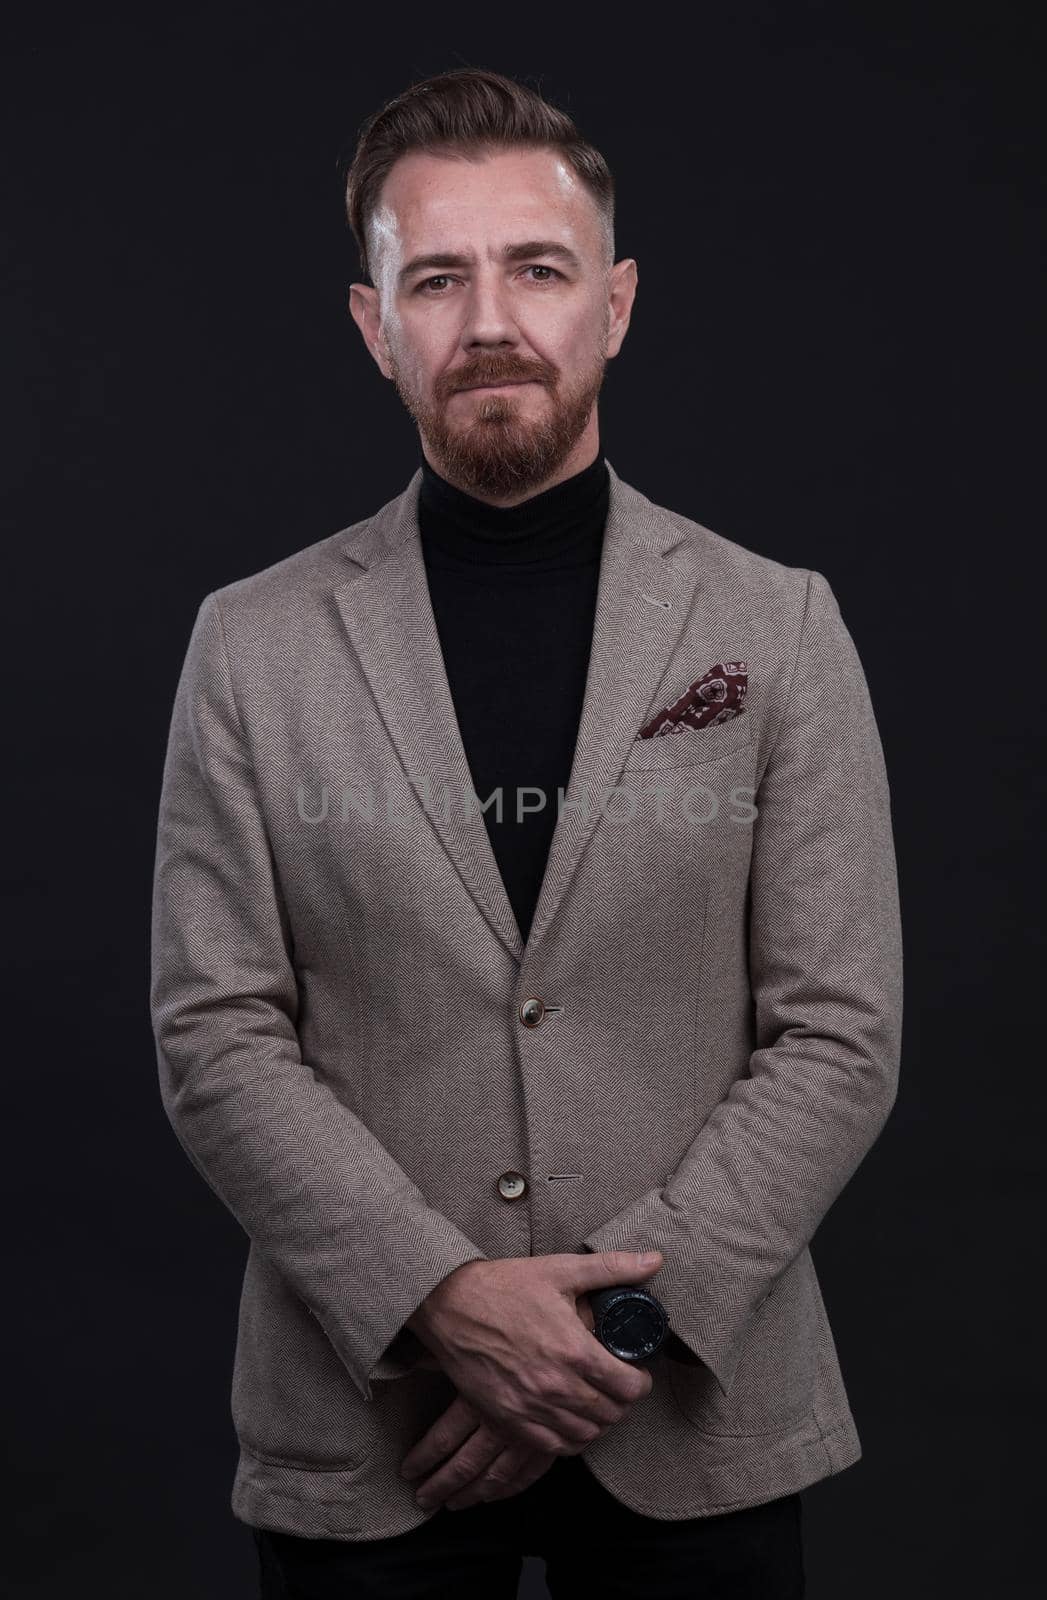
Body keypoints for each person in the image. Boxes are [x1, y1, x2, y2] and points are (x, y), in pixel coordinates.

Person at [150, 65, 902, 1599]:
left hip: (699, 1410)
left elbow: (839, 1031)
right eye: (437, 277)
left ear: (612, 305)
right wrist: (445, 1304)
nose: (490, 319)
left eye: (537, 268)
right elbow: (215, 1035)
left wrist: (605, 1336)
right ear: (375, 326)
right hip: (370, 1427)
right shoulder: (253, 644)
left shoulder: (778, 624)